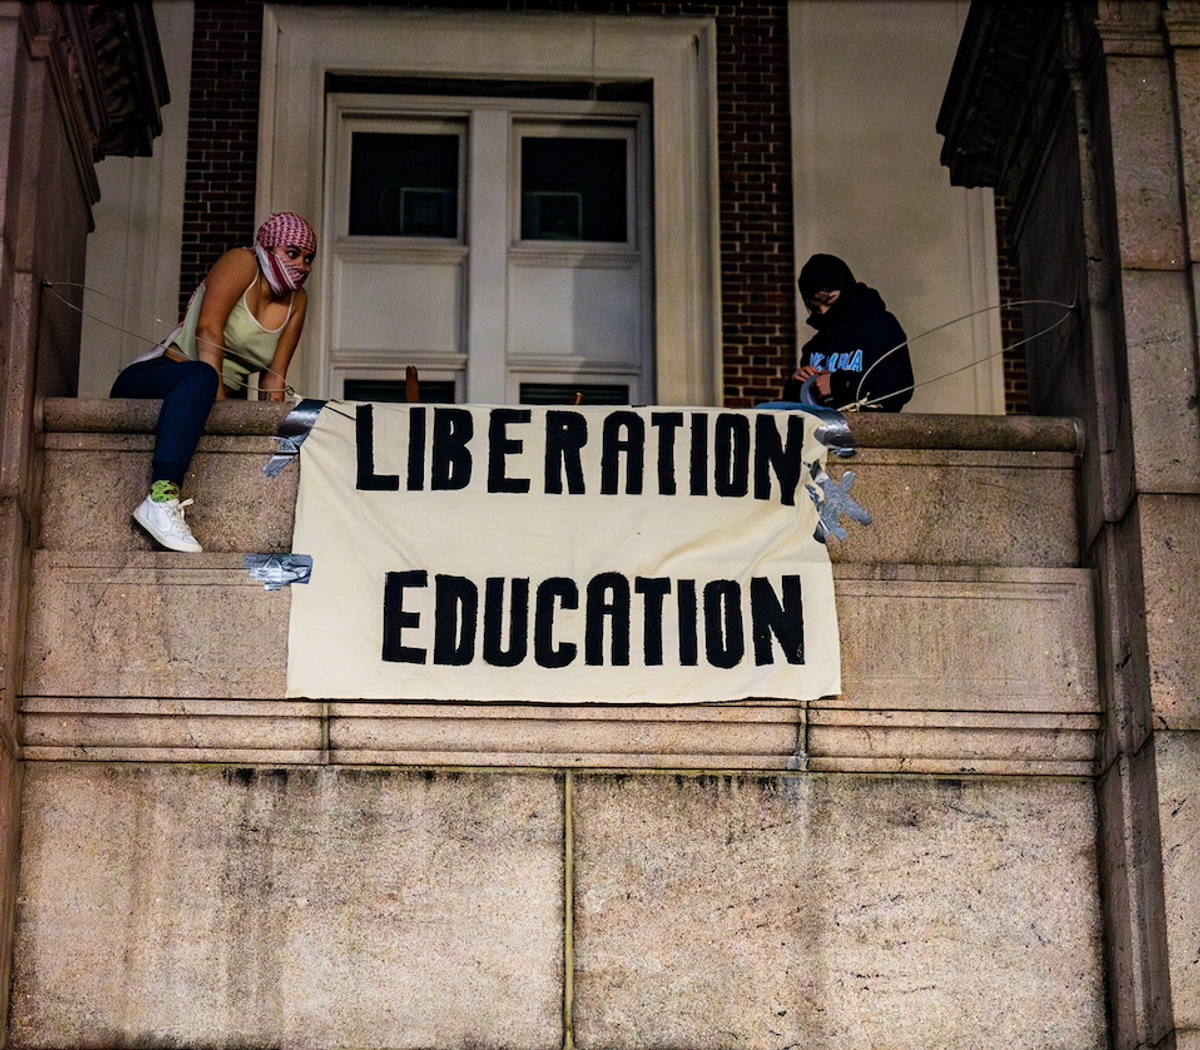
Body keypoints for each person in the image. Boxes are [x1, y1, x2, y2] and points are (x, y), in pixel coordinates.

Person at [111, 212, 316, 553]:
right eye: (291, 254)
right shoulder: (243, 262)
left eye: (308, 258)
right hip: (160, 376)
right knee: (202, 375)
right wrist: (217, 401)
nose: (302, 265)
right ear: (267, 248)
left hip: (207, 393)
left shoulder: (298, 301)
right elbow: (208, 328)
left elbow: (274, 379)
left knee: (210, 382)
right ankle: (160, 499)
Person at [782, 253, 913, 412]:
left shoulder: (880, 328)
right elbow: (800, 408)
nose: (823, 312)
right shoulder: (817, 343)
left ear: (846, 291)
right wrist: (797, 385)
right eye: (815, 308)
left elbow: (899, 388)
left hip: (870, 432)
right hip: (823, 433)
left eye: (829, 301)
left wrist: (838, 385)